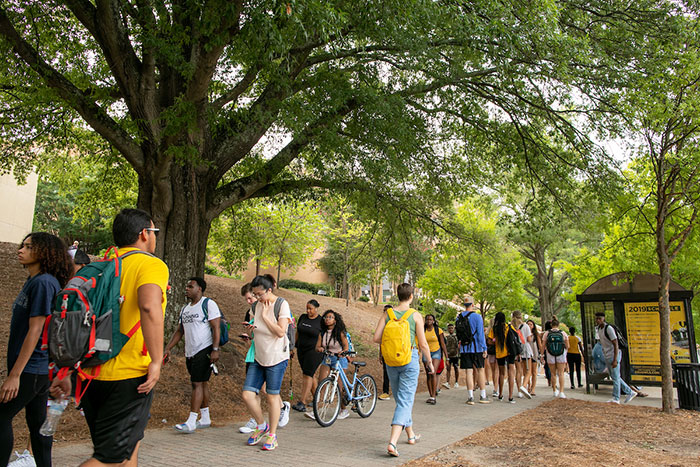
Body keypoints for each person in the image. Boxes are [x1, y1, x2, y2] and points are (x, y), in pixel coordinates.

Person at [51, 208, 169, 466]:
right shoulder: (150, 264)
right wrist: (157, 360)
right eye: (154, 232)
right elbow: (149, 306)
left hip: (92, 374)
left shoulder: (101, 266)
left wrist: (67, 372)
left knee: (128, 450)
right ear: (144, 234)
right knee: (109, 459)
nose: (155, 237)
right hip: (129, 377)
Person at [1, 232, 72, 467]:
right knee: (38, 425)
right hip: (35, 370)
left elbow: (35, 330)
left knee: (1, 417)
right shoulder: (36, 280)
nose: (21, 249)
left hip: (31, 369)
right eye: (22, 245)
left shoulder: (43, 283)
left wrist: (14, 375)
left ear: (44, 252)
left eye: (29, 247)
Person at [373, 283, 433, 458]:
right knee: (405, 401)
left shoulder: (388, 314)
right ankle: (392, 442)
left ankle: (411, 434)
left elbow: (377, 337)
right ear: (411, 296)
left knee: (401, 399)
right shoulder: (415, 315)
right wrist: (428, 362)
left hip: (391, 361)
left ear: (397, 295)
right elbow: (422, 344)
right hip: (409, 359)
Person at [163, 277, 221, 433]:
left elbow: (216, 328)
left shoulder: (208, 304)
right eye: (187, 286)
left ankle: (191, 421)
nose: (187, 289)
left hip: (205, 348)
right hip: (190, 351)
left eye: (191, 286)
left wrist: (215, 349)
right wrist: (167, 348)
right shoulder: (186, 309)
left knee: (196, 383)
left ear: (199, 289)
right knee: (201, 383)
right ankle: (206, 417)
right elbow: (179, 331)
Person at [241, 275, 291, 451]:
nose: (257, 298)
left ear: (269, 290)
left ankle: (273, 435)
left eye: (260, 294)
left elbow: (280, 332)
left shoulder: (281, 304)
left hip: (276, 357)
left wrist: (265, 316)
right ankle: (262, 426)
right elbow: (257, 329)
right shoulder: (255, 305)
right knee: (247, 395)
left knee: (272, 396)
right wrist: (250, 332)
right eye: (254, 294)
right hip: (258, 356)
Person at [306, 309, 350, 420]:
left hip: (340, 359)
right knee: (322, 384)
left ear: (335, 320)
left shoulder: (340, 332)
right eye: (326, 317)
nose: (327, 319)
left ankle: (343, 409)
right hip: (328, 358)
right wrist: (320, 348)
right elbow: (317, 346)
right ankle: (317, 410)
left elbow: (346, 347)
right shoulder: (322, 333)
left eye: (330, 317)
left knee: (338, 387)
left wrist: (342, 352)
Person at [595, 312, 635, 404]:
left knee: (616, 377)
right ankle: (630, 391)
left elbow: (615, 343)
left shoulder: (608, 328)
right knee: (615, 376)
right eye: (597, 319)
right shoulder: (599, 329)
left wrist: (615, 359)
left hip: (613, 355)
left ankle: (616, 398)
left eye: (599, 318)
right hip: (607, 355)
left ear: (603, 319)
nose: (598, 320)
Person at [457, 297, 490, 405]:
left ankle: (470, 397)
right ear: (473, 304)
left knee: (468, 372)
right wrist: (484, 348)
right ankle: (482, 395)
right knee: (480, 370)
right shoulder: (477, 317)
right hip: (477, 348)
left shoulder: (459, 318)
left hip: (465, 349)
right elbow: (480, 334)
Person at [291, 299, 323, 412]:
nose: (308, 311)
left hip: (314, 351)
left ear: (316, 308)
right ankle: (316, 400)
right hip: (302, 350)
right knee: (310, 375)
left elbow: (324, 337)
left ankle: (302, 402)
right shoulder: (303, 317)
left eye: (311, 309)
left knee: (307, 374)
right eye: (307, 308)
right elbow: (298, 332)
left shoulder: (321, 321)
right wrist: (293, 347)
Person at [488, 312, 518, 403]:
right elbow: (515, 337)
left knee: (501, 374)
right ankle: (510, 396)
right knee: (511, 373)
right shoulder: (509, 327)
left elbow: (489, 341)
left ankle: (500, 394)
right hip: (510, 352)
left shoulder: (494, 329)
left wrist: (496, 343)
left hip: (500, 353)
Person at [542, 317, 569, 399]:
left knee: (553, 373)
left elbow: (543, 346)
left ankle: (554, 390)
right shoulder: (563, 333)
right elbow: (568, 346)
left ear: (551, 325)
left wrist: (542, 355)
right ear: (558, 325)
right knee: (561, 373)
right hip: (561, 354)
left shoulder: (547, 333)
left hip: (550, 354)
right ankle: (561, 391)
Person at [423, 314, 447, 404]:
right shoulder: (422, 330)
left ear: (433, 321)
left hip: (436, 352)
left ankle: (433, 396)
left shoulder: (438, 330)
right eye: (427, 319)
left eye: (431, 319)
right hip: (426, 353)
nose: (429, 321)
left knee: (433, 373)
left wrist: (446, 356)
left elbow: (443, 343)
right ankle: (431, 395)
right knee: (428, 374)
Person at [512, 311, 532, 399]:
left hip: (516, 351)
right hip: (526, 349)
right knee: (528, 370)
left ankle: (519, 391)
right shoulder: (526, 326)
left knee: (518, 371)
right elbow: (529, 339)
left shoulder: (512, 327)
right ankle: (524, 386)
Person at [378, 305, 392, 401]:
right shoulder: (382, 325)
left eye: (387, 311)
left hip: (395, 352)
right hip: (385, 352)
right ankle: (385, 392)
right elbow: (380, 340)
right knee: (386, 372)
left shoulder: (396, 323)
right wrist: (380, 353)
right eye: (384, 311)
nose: (385, 313)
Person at [526, 319, 542, 396]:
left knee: (534, 372)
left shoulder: (536, 334)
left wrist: (542, 354)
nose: (529, 326)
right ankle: (528, 385)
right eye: (528, 324)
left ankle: (533, 388)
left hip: (534, 354)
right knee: (527, 371)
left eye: (531, 324)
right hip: (527, 354)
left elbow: (540, 345)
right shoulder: (525, 333)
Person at [442, 323, 460, 389]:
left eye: (452, 328)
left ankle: (456, 382)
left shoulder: (456, 337)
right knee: (448, 368)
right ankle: (447, 382)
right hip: (449, 355)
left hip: (455, 355)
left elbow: (458, 346)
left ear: (454, 329)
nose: (450, 329)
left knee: (456, 368)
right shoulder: (446, 337)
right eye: (449, 328)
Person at [485, 318, 499, 398]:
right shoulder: (496, 331)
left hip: (490, 352)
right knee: (497, 371)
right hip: (497, 351)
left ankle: (495, 388)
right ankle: (496, 388)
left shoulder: (487, 332)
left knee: (494, 371)